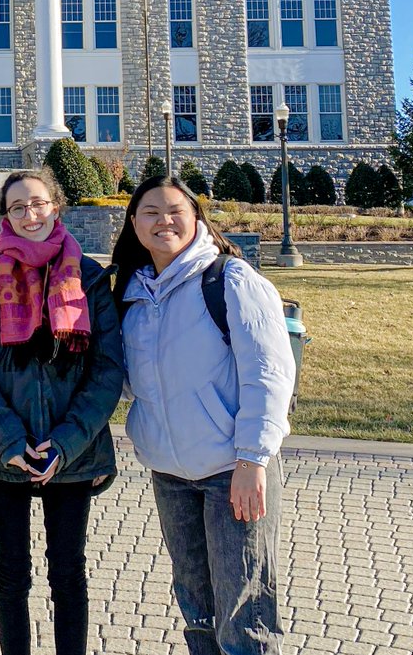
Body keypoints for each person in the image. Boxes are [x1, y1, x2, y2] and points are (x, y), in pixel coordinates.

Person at [111, 176, 297, 655]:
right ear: (133, 224)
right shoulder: (131, 297)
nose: (163, 220)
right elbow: (135, 381)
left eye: (175, 210)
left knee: (244, 618)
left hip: (231, 470)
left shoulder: (230, 279)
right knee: (198, 611)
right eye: (150, 212)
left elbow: (268, 374)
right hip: (170, 474)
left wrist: (253, 460)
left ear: (196, 219)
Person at [0, 168, 124, 655]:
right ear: (4, 216)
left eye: (38, 203)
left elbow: (107, 370)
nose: (30, 214)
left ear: (57, 206)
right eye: (18, 207)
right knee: (10, 574)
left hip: (73, 454)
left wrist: (66, 445)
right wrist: (8, 440)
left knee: (68, 570)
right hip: (2, 452)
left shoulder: (89, 276)